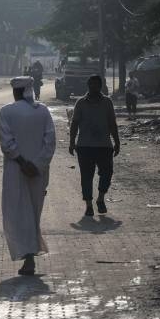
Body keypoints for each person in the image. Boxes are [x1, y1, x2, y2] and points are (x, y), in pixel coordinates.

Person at [0, 77, 56, 276]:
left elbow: (7, 144)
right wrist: (37, 165)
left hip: (16, 171)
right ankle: (30, 256)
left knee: (18, 213)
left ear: (16, 92)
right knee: (33, 211)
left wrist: (23, 163)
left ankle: (29, 257)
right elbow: (50, 142)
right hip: (39, 172)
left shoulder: (6, 112)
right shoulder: (43, 111)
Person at [69, 75, 120, 216]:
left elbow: (112, 123)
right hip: (84, 146)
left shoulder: (107, 102)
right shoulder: (80, 103)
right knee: (86, 176)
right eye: (91, 85)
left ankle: (101, 198)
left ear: (101, 86)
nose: (94, 87)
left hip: (104, 145)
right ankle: (89, 205)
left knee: (107, 173)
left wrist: (117, 142)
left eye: (96, 85)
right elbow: (74, 123)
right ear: (88, 86)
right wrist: (72, 142)